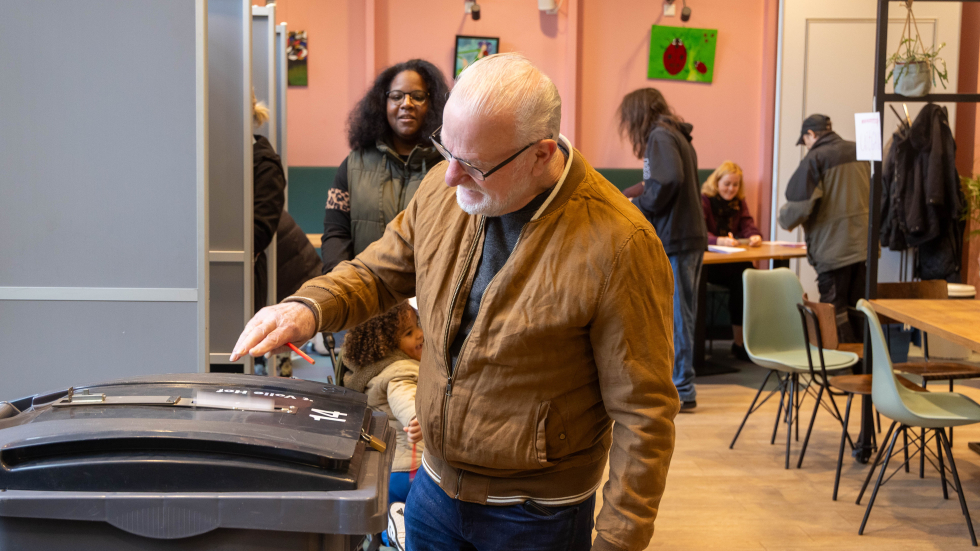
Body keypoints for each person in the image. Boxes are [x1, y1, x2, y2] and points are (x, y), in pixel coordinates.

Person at [231, 53, 678, 551]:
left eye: (473, 165)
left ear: (541, 153)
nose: (449, 177)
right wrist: (307, 307)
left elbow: (645, 414)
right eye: (446, 149)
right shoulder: (447, 191)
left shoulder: (620, 244)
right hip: (435, 491)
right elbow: (376, 273)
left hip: (534, 515)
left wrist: (619, 540)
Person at [619, 88, 707, 411]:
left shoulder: (659, 136)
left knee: (678, 316)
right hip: (690, 236)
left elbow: (668, 181)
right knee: (683, 313)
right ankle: (682, 383)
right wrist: (628, 194)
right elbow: (660, 179)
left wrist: (640, 205)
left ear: (638, 114)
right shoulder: (675, 134)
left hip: (677, 237)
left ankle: (683, 387)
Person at [320, 59, 449, 274]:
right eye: (396, 97)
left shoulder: (449, 168)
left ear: (433, 104)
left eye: (417, 97)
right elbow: (336, 233)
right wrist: (340, 288)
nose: (406, 104)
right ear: (382, 104)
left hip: (428, 299)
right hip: (365, 295)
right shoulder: (353, 165)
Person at [778, 114, 869, 342]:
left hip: (834, 250)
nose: (806, 146)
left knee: (834, 312)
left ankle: (840, 372)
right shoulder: (862, 151)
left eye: (805, 141)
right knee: (860, 308)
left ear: (811, 135)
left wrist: (782, 219)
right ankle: (863, 370)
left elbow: (798, 208)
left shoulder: (816, 158)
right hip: (864, 247)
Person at [251, 93, 322, 375]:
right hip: (276, 267)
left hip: (287, 270)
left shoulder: (262, 162)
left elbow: (255, 235)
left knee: (273, 357)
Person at [341, 301, 424, 505]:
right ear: (387, 346)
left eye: (418, 326)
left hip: (387, 470)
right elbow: (404, 397)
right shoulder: (400, 371)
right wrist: (417, 418)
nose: (420, 334)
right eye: (408, 333)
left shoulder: (374, 373)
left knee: (388, 524)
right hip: (412, 471)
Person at [700, 161, 762, 361]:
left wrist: (754, 236)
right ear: (717, 182)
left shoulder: (739, 202)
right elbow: (699, 231)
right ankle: (698, 350)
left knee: (746, 276)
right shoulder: (705, 200)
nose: (731, 189)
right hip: (708, 265)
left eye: (735, 185)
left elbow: (747, 224)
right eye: (727, 184)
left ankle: (740, 343)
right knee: (740, 275)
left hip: (731, 263)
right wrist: (718, 240)